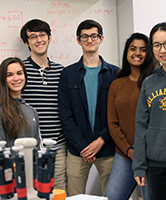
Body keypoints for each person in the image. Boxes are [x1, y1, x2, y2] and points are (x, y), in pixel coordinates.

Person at [0, 19, 67, 193]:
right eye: (33, 36)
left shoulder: (61, 71)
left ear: (49, 37)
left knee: (54, 192)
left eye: (42, 35)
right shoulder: (19, 69)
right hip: (17, 156)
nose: (39, 40)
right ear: (26, 42)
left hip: (52, 149)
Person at [58, 19, 119, 196]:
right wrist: (84, 146)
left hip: (106, 148)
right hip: (78, 151)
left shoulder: (115, 73)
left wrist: (100, 141)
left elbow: (117, 115)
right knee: (74, 196)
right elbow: (65, 115)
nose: (89, 40)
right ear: (78, 40)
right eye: (84, 36)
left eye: (94, 36)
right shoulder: (67, 74)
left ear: (101, 38)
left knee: (112, 196)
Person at [132, 22, 166, 200]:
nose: (163, 50)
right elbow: (141, 126)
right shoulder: (149, 83)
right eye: (157, 45)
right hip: (155, 166)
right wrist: (139, 166)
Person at [105, 33, 156, 200]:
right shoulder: (117, 85)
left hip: (152, 155)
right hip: (125, 153)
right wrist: (129, 150)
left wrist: (144, 151)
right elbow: (112, 123)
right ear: (127, 53)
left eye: (143, 49)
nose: (137, 53)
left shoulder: (155, 82)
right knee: (112, 197)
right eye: (133, 49)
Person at [0, 57, 42, 149]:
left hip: (32, 163)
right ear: (3, 79)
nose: (16, 78)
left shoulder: (32, 111)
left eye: (19, 73)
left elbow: (39, 147)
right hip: (8, 163)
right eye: (9, 75)